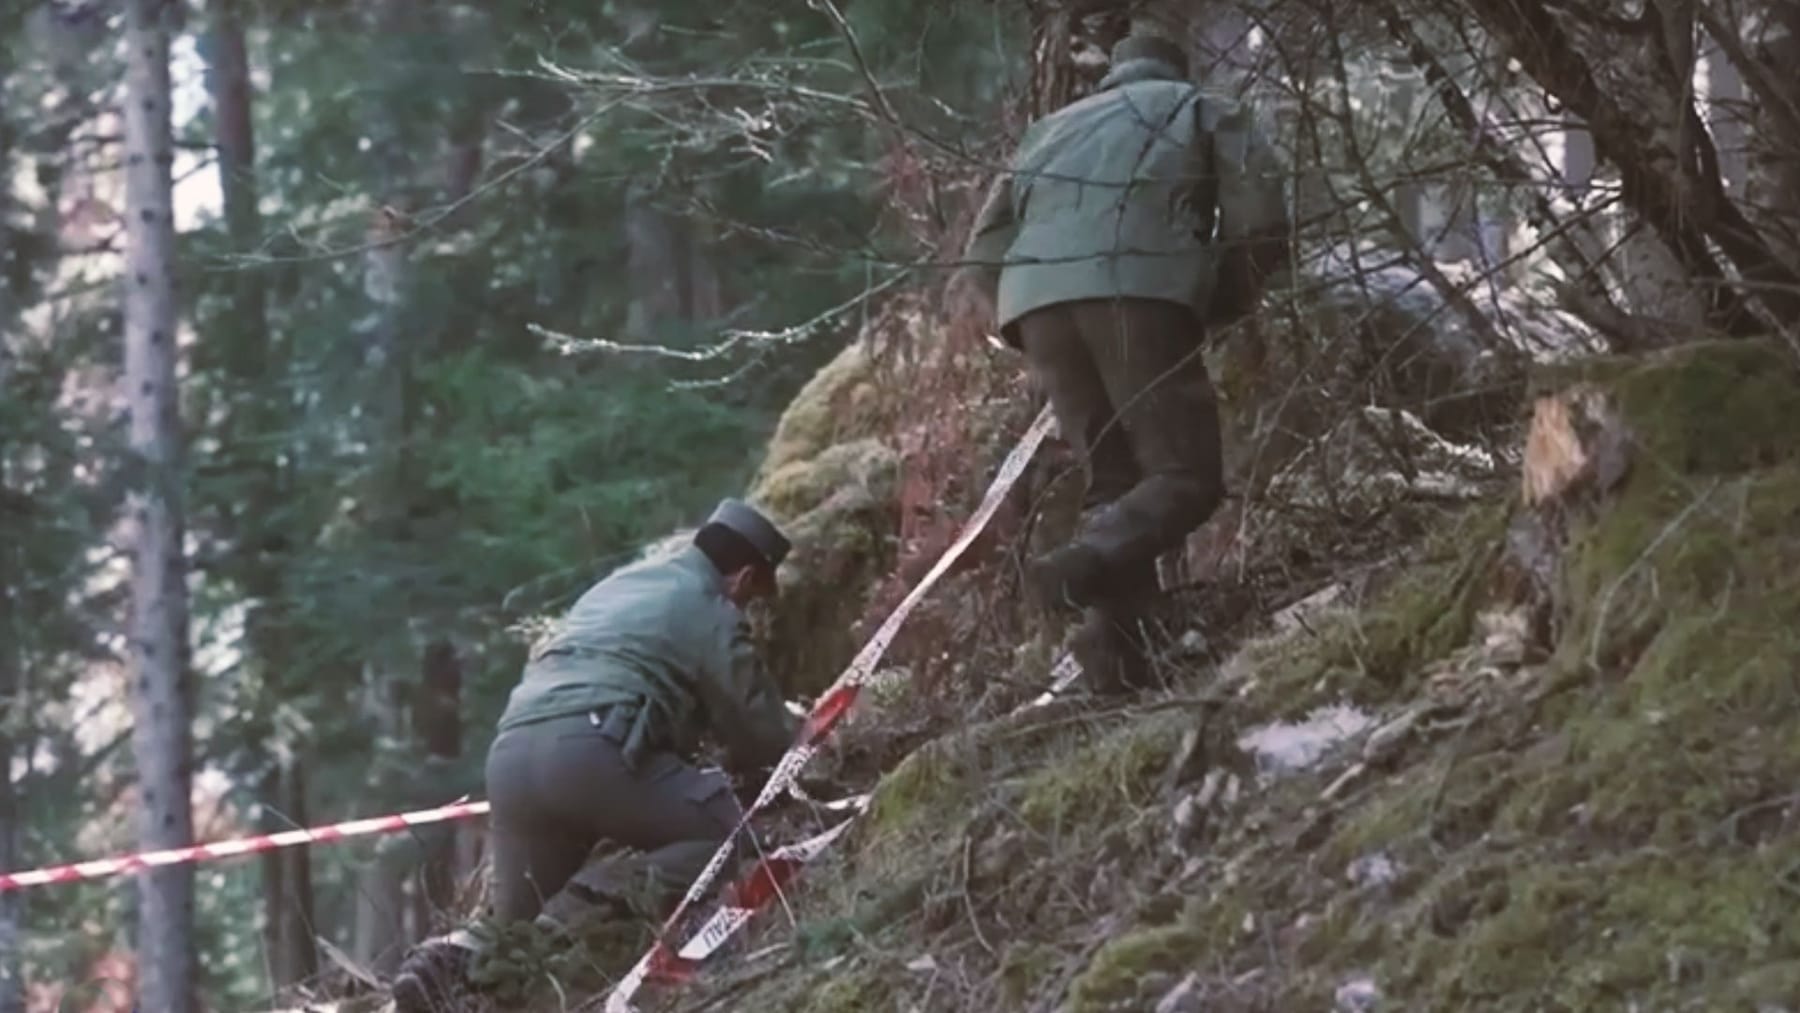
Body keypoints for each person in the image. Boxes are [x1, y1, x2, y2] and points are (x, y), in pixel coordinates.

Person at [959, 32, 1290, 691]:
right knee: (1185, 476)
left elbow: (981, 251)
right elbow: (1260, 223)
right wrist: (1210, 298)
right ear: (1175, 70)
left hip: (1038, 304)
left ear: (1113, 77)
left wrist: (1028, 313)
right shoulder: (1199, 107)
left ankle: (1119, 667)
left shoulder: (1049, 131)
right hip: (1142, 288)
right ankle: (1078, 564)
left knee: (1114, 485)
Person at [391, 499, 799, 1011]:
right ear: (741, 578)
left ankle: (448, 965)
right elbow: (753, 720)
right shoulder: (707, 604)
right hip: (591, 753)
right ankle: (577, 909)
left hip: (513, 754)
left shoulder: (618, 586)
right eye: (753, 596)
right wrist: (802, 750)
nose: (746, 607)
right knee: (725, 834)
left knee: (511, 926)